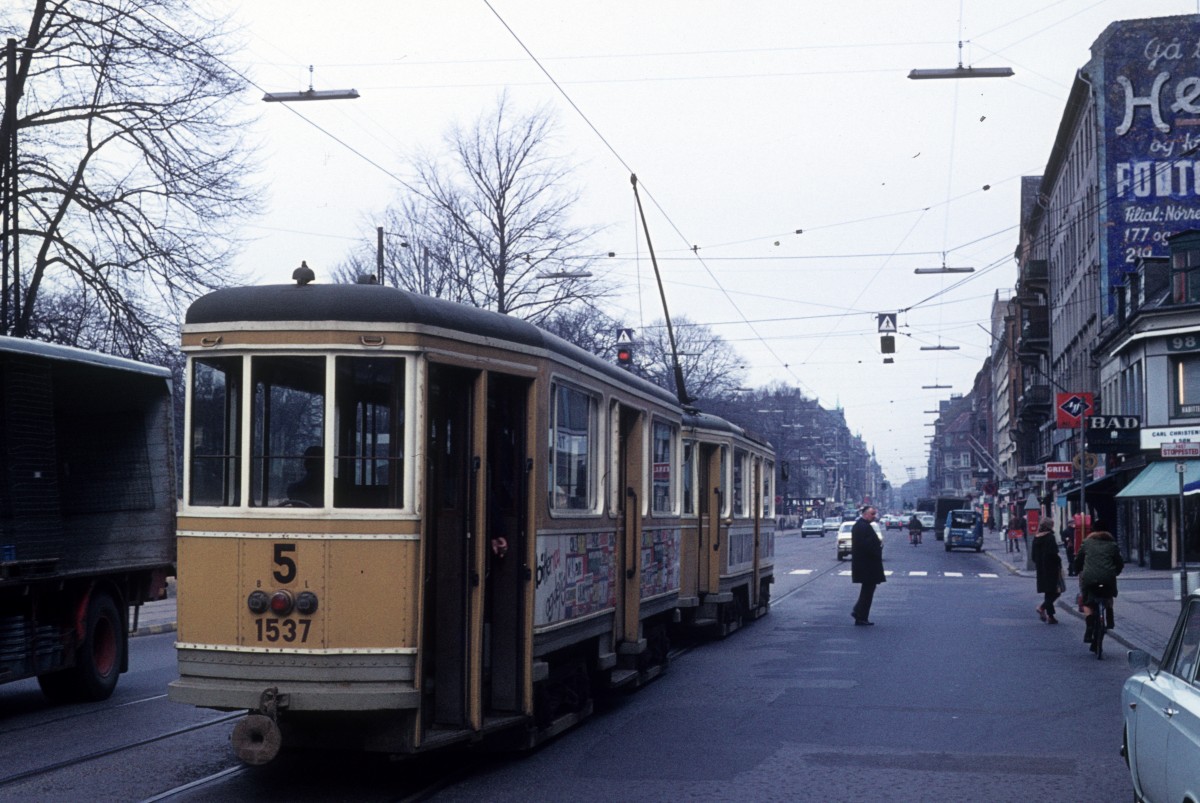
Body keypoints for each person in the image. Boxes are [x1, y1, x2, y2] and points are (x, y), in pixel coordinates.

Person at [1072, 520, 1124, 651]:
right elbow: (1119, 562)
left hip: (1090, 578)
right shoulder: (1112, 544)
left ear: (1093, 530)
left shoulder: (1087, 543)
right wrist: (1115, 572)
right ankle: (1110, 618)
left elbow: (1078, 559)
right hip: (1107, 578)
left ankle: (1089, 626)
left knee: (1088, 602)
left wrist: (1077, 569)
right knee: (1109, 595)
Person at [851, 505, 885, 626]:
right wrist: (878, 547)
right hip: (867, 565)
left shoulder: (861, 526)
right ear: (865, 514)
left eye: (874, 514)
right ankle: (860, 615)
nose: (874, 516)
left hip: (865, 565)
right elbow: (867, 546)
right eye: (872, 514)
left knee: (867, 590)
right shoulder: (863, 527)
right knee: (868, 591)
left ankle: (859, 613)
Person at [1031, 520, 1062, 624]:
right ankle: (1042, 607)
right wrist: (1059, 562)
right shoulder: (1050, 537)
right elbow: (1053, 553)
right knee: (1056, 592)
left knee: (1048, 592)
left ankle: (1051, 617)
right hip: (1051, 568)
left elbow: (1033, 556)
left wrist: (1039, 563)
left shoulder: (1036, 537)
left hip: (1041, 569)